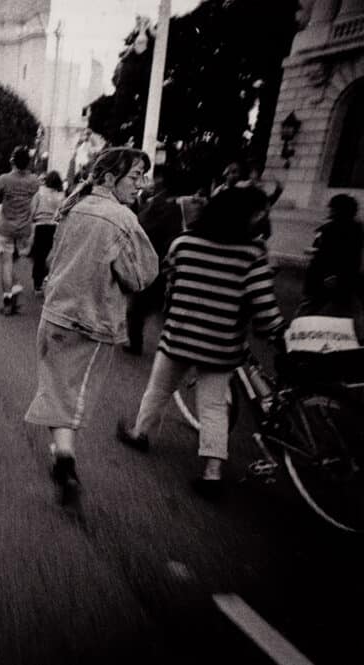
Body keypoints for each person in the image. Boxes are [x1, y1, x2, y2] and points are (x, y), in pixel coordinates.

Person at [117, 187, 286, 500]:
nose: (262, 219)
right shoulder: (251, 255)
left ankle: (141, 433)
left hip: (178, 336)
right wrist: (275, 331)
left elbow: (170, 285)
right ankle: (212, 472)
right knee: (213, 408)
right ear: (242, 217)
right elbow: (265, 309)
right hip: (220, 345)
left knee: (158, 390)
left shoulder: (184, 243)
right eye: (258, 214)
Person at [24, 147, 158, 503]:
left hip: (56, 314)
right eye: (135, 176)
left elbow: (56, 256)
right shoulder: (123, 219)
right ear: (111, 178)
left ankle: (63, 454)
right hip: (93, 320)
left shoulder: (73, 207)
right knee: (74, 395)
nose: (141, 184)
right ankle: (65, 460)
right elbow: (140, 275)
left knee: (56, 388)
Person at [125, 165, 183, 354]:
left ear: (161, 182)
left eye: (153, 179)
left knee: (139, 308)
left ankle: (138, 344)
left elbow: (145, 225)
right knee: (152, 308)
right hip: (156, 261)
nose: (149, 183)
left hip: (154, 260)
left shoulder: (164, 206)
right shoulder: (163, 203)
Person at [0, 146, 40, 315]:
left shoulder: (4, 179)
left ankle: (8, 299)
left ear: (13, 161)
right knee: (15, 262)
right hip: (24, 228)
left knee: (6, 264)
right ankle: (16, 286)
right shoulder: (34, 180)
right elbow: (36, 200)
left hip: (6, 226)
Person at [300, 194, 363, 320]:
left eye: (331, 208)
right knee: (348, 312)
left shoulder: (329, 229)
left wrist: (311, 251)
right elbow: (353, 257)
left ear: (335, 210)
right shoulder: (357, 228)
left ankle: (295, 332)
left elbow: (323, 254)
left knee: (308, 309)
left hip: (322, 277)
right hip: (346, 279)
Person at [28, 170, 65, 296]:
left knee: (39, 255)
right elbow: (62, 211)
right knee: (51, 255)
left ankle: (37, 284)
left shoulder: (40, 192)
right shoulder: (61, 195)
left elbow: (32, 209)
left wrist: (30, 221)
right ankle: (47, 278)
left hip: (40, 226)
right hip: (54, 227)